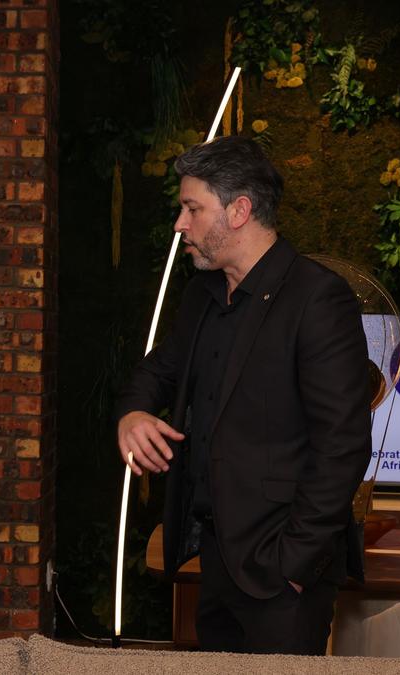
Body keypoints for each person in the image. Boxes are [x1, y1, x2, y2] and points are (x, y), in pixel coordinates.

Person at [114, 135, 371, 655]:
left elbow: (342, 446)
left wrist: (292, 568)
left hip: (281, 576)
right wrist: (133, 414)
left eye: (192, 209)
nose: (180, 224)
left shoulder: (317, 298)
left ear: (239, 211)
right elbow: (160, 369)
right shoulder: (203, 294)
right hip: (214, 562)